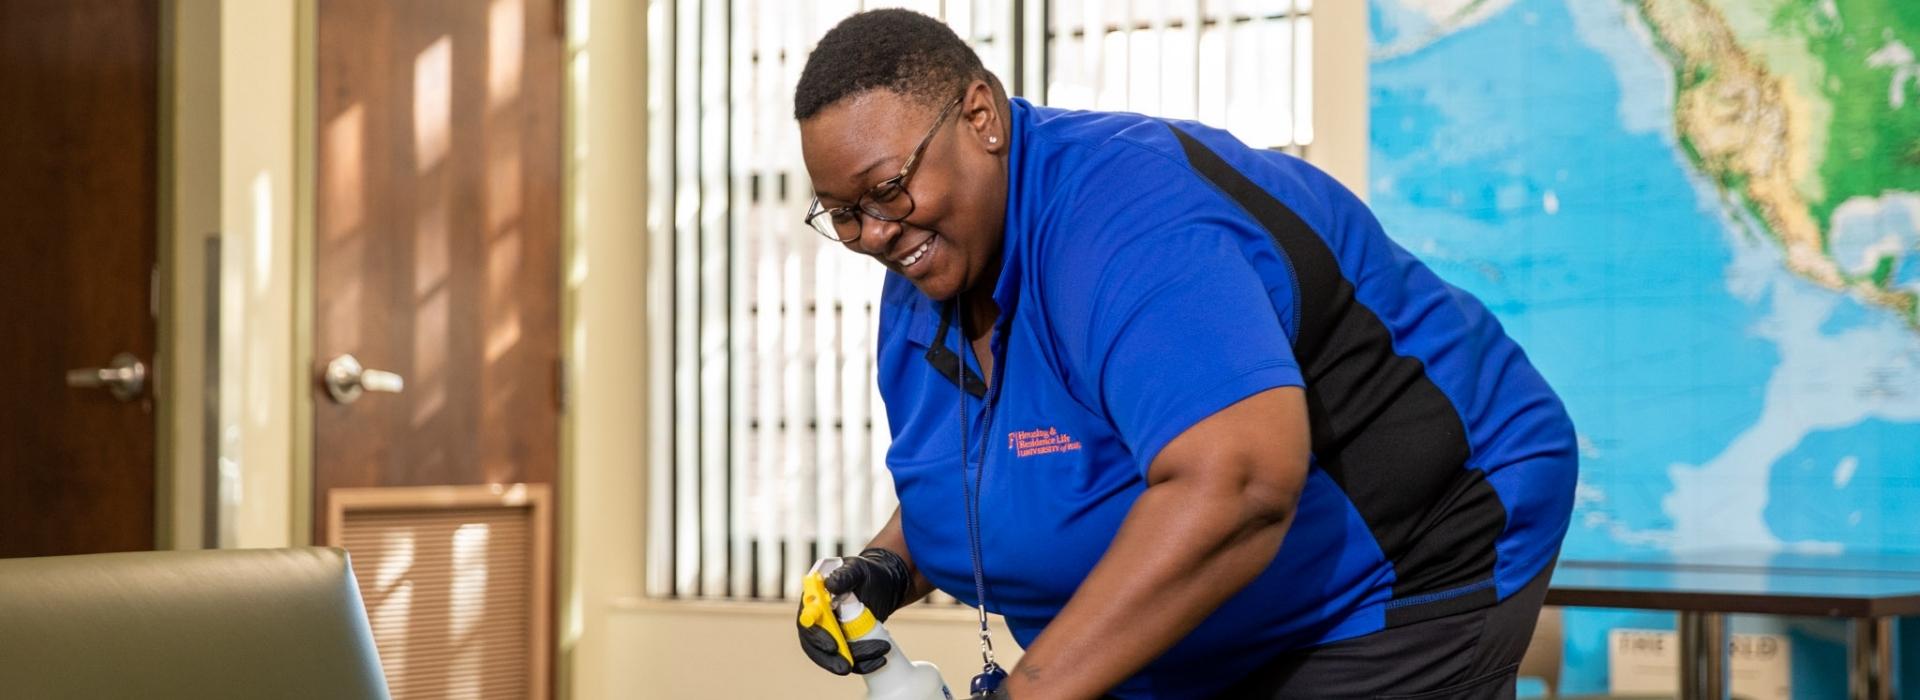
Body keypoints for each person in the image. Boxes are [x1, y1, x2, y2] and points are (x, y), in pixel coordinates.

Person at [790, 9, 1578, 700]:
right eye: (843, 214)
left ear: (982, 117)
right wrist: (889, 566)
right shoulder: (929, 274)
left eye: (888, 189)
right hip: (1220, 616)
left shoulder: (1128, 221)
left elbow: (1235, 484)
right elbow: (980, 460)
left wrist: (1031, 691)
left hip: (1410, 559)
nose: (875, 235)